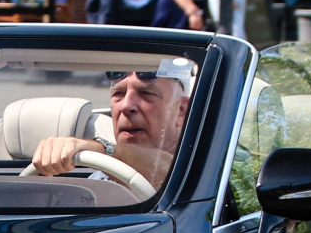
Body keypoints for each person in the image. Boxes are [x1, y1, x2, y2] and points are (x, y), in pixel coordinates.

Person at [28, 62, 193, 191]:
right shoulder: (88, 182)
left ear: (181, 111)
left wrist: (101, 150)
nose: (126, 106)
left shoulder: (201, 172)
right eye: (118, 94)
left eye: (147, 94)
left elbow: (167, 171)